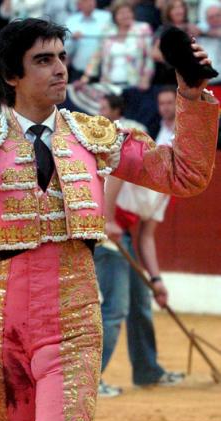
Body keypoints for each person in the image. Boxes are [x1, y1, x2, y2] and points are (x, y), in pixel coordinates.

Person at [0, 12, 219, 421]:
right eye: (43, 59)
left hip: (73, 323)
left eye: (62, 57)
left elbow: (184, 173)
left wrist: (191, 94)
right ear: (12, 74)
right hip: (1, 325)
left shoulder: (92, 135)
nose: (60, 68)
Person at [94, 86, 180, 397]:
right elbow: (116, 172)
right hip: (106, 237)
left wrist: (156, 280)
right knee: (115, 309)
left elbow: (147, 237)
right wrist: (106, 219)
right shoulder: (153, 164)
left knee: (141, 304)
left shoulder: (167, 191)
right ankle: (89, 380)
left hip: (125, 238)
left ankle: (147, 371)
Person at [83, 1, 154, 90]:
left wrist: (146, 78)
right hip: (108, 86)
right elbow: (96, 56)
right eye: (121, 13)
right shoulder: (107, 31)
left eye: (128, 12)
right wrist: (85, 77)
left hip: (135, 85)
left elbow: (149, 57)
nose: (125, 15)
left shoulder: (143, 29)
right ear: (115, 16)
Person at [65, 0, 112, 81]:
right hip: (79, 71)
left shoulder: (107, 17)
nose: (90, 2)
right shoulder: (71, 21)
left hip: (103, 72)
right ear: (79, 5)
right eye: (86, 1)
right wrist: (72, 39)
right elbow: (65, 49)